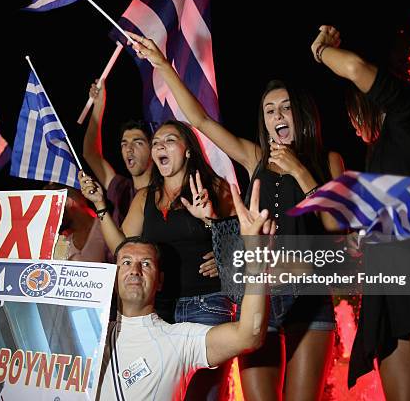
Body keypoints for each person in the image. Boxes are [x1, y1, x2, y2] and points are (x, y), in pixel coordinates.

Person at [128, 31, 343, 400]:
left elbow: (338, 227)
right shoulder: (254, 157)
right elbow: (200, 120)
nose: (277, 115)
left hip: (309, 294)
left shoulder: (329, 161)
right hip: (260, 296)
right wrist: (162, 64)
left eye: (285, 107)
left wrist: (301, 173)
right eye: (270, 110)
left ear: (301, 113)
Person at [312, 25, 410, 400]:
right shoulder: (379, 154)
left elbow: (353, 68)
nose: (353, 126)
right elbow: (338, 220)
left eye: (352, 111)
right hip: (391, 300)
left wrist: (320, 51)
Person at [80, 119, 233, 400]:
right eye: (157, 142)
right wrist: (101, 205)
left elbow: (243, 243)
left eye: (170, 140)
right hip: (159, 313)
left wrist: (218, 239)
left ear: (188, 150)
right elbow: (124, 249)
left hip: (206, 306)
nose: (160, 145)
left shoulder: (215, 187)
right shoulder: (144, 198)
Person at [97, 179, 274, 400]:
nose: (135, 270)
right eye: (125, 262)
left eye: (146, 264)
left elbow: (248, 336)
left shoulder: (179, 339)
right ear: (113, 278)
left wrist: (257, 261)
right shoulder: (90, 336)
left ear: (159, 281)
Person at [83, 79, 153, 227]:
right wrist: (99, 105)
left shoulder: (163, 192)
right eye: (124, 144)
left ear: (153, 149)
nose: (129, 149)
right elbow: (90, 153)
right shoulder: (121, 189)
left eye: (138, 142)